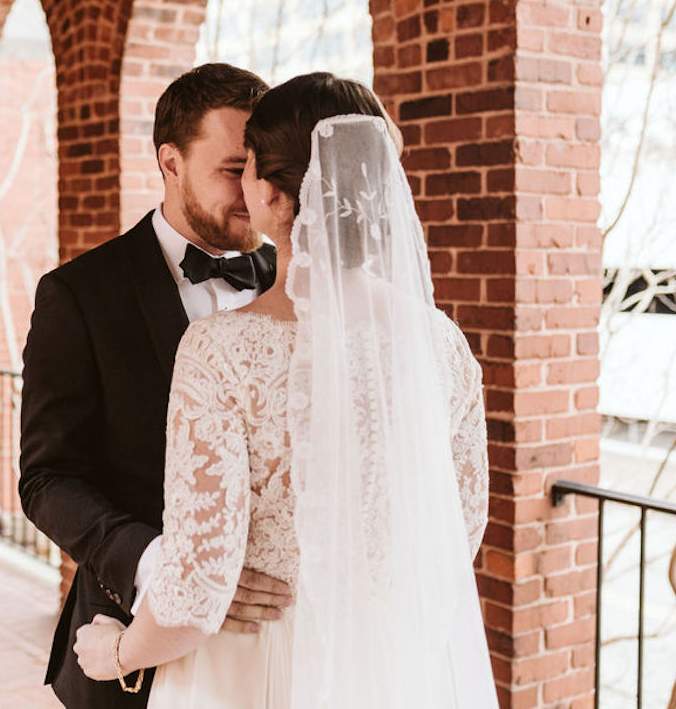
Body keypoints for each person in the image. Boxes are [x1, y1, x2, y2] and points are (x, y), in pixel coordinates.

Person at [73, 73, 498, 707]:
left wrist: (116, 655)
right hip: (385, 666)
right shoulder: (442, 345)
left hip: (251, 668)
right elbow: (456, 536)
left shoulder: (221, 351)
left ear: (271, 194)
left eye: (247, 168)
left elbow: (197, 588)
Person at [18, 63, 297, 709]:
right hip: (132, 645)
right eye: (233, 169)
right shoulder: (79, 297)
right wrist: (167, 569)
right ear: (170, 162)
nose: (253, 190)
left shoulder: (303, 286)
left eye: (262, 169)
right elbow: (47, 480)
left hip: (278, 651)